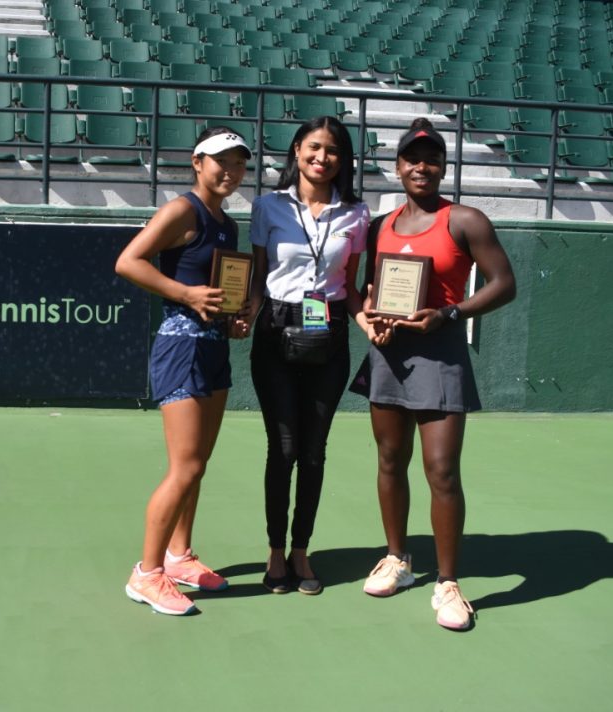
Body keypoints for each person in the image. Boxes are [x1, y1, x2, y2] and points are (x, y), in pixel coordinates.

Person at [350, 118, 516, 630]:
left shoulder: (465, 219)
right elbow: (365, 289)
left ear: (443, 166)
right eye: (412, 158)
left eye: (432, 158)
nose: (421, 166)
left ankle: (447, 583)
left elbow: (504, 283)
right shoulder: (379, 224)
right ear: (397, 166)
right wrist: (371, 320)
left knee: (442, 471)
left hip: (441, 351)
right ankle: (398, 559)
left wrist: (451, 314)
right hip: (389, 353)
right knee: (389, 459)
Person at [115, 127, 254, 616]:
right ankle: (146, 573)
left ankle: (179, 557)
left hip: (214, 349)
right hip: (180, 349)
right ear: (197, 162)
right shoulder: (181, 210)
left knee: (198, 465)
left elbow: (222, 289)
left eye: (239, 164)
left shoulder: (227, 224)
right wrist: (186, 294)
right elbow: (128, 262)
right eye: (221, 161)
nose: (230, 172)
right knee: (186, 466)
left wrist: (235, 316)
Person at [247, 116, 376, 596]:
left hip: (330, 335)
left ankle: (303, 549)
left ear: (343, 160)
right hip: (276, 335)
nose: (323, 158)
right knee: (282, 449)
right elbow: (259, 278)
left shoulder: (357, 215)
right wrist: (245, 315)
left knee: (314, 452)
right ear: (297, 150)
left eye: (334, 150)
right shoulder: (267, 206)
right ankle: (276, 551)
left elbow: (352, 287)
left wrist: (369, 325)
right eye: (314, 147)